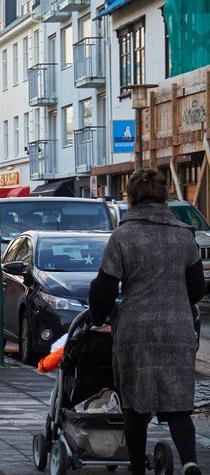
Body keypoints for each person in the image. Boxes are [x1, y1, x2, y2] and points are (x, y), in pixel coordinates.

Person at [89, 168, 204, 475]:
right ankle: (190, 462)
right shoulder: (183, 235)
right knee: (178, 403)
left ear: (133, 197)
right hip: (177, 329)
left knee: (135, 405)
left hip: (136, 331)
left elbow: (104, 288)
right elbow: (197, 288)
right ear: (163, 196)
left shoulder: (123, 235)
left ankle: (137, 467)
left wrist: (97, 316)